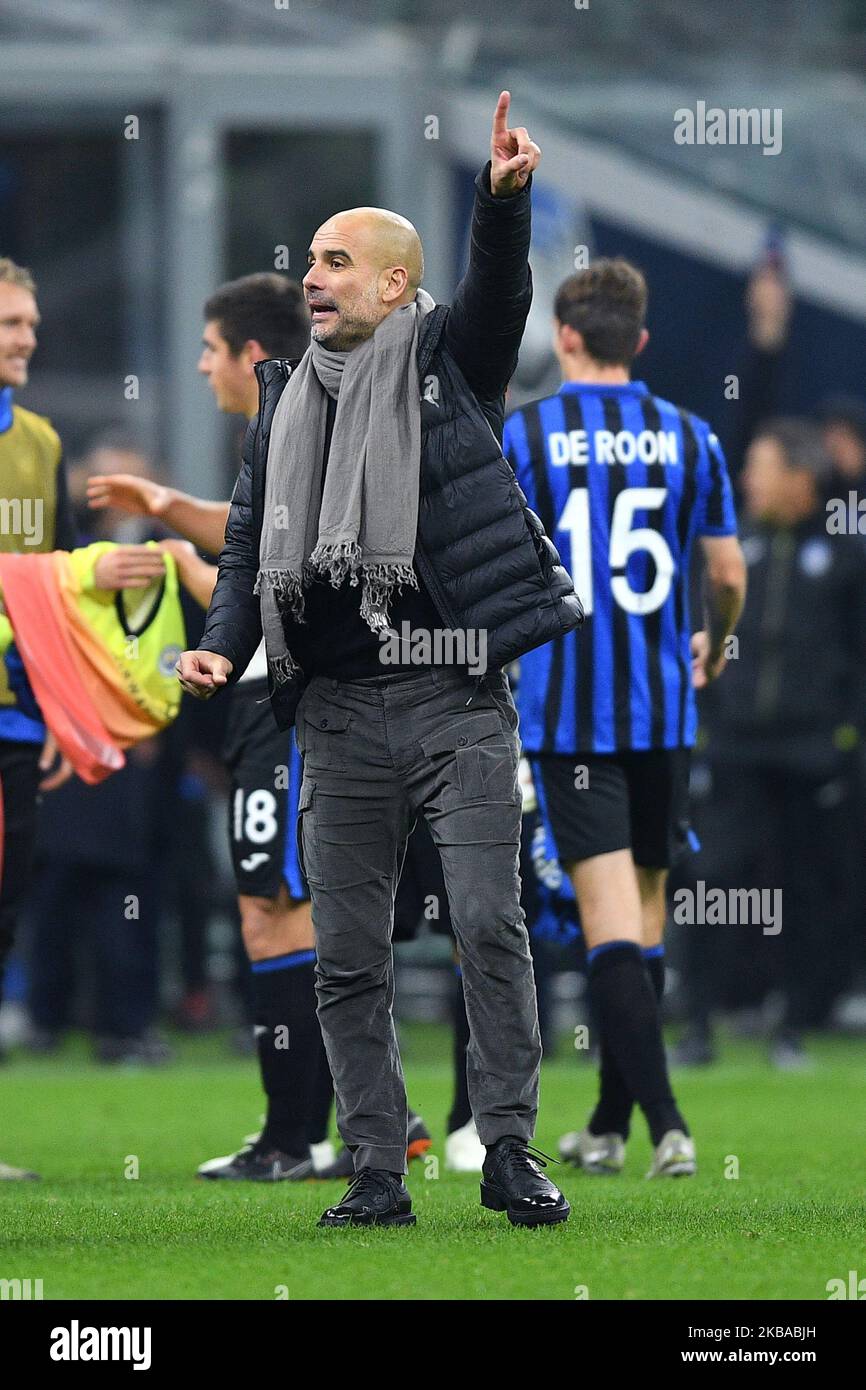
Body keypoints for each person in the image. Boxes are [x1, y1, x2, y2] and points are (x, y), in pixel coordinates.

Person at [179, 91, 582, 1229]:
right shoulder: (282, 396)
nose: (312, 275)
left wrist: (502, 204)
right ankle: (374, 1169)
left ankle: (506, 1148)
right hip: (337, 710)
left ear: (394, 286)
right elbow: (251, 544)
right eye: (309, 259)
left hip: (455, 692)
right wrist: (221, 650)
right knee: (346, 953)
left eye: (338, 260)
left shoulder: (448, 363)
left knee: (489, 927)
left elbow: (499, 293)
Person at [503, 258, 746, 1177]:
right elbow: (725, 575)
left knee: (609, 923)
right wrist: (716, 645)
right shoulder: (690, 436)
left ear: (565, 336)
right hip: (664, 715)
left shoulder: (526, 437)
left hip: (569, 721)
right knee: (643, 921)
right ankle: (607, 1124)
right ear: (638, 342)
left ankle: (668, 1123)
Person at [676, 419, 866, 1069]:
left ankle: (790, 1026)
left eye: (760, 467)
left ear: (801, 479)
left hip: (812, 754)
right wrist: (705, 722)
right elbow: (701, 643)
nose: (747, 480)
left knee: (805, 892)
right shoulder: (735, 549)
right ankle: (697, 1025)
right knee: (711, 879)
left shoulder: (846, 552)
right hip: (737, 750)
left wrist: (847, 741)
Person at [0, 257, 78, 1180]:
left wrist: (64, 707)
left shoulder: (43, 443)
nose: (25, 338)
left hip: (19, 722)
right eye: (11, 323)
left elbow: (49, 586)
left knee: (5, 915)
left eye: (27, 323)